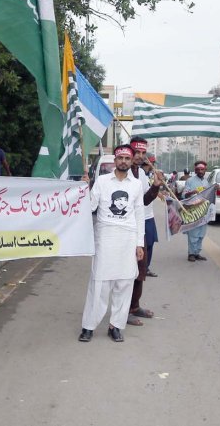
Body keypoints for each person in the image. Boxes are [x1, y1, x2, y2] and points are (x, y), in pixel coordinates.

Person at [79, 144, 145, 344]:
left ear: (131, 160)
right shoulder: (102, 181)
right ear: (115, 160)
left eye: (127, 158)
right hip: (105, 237)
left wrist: (139, 244)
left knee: (124, 283)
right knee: (100, 283)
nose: (123, 161)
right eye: (120, 158)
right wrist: (85, 189)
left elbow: (139, 215)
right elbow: (90, 206)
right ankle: (88, 326)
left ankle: (116, 326)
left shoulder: (136, 185)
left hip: (127, 238)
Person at [125, 139, 163, 327]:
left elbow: (145, 201)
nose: (140, 156)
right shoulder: (122, 175)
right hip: (125, 229)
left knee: (140, 269)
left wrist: (156, 186)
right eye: (136, 152)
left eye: (143, 153)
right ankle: (123, 311)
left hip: (141, 226)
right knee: (127, 271)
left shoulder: (140, 173)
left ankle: (134, 306)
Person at [183, 161, 213, 262]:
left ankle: (197, 253)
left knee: (201, 234)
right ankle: (191, 253)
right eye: (198, 169)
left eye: (202, 169)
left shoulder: (206, 182)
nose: (200, 171)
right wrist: (192, 192)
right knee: (193, 233)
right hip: (194, 211)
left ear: (205, 170)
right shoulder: (190, 181)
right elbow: (184, 195)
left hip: (204, 211)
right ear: (195, 170)